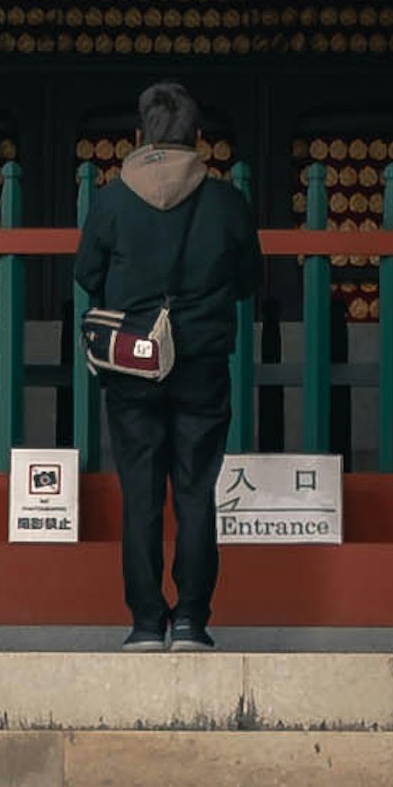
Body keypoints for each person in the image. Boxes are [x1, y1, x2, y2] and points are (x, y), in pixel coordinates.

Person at [75, 79, 262, 651]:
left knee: (140, 492)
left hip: (132, 364)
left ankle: (145, 623)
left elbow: (87, 273)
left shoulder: (110, 199)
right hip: (202, 362)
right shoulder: (226, 201)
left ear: (140, 137)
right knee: (194, 489)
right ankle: (191, 621)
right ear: (198, 139)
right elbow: (252, 281)